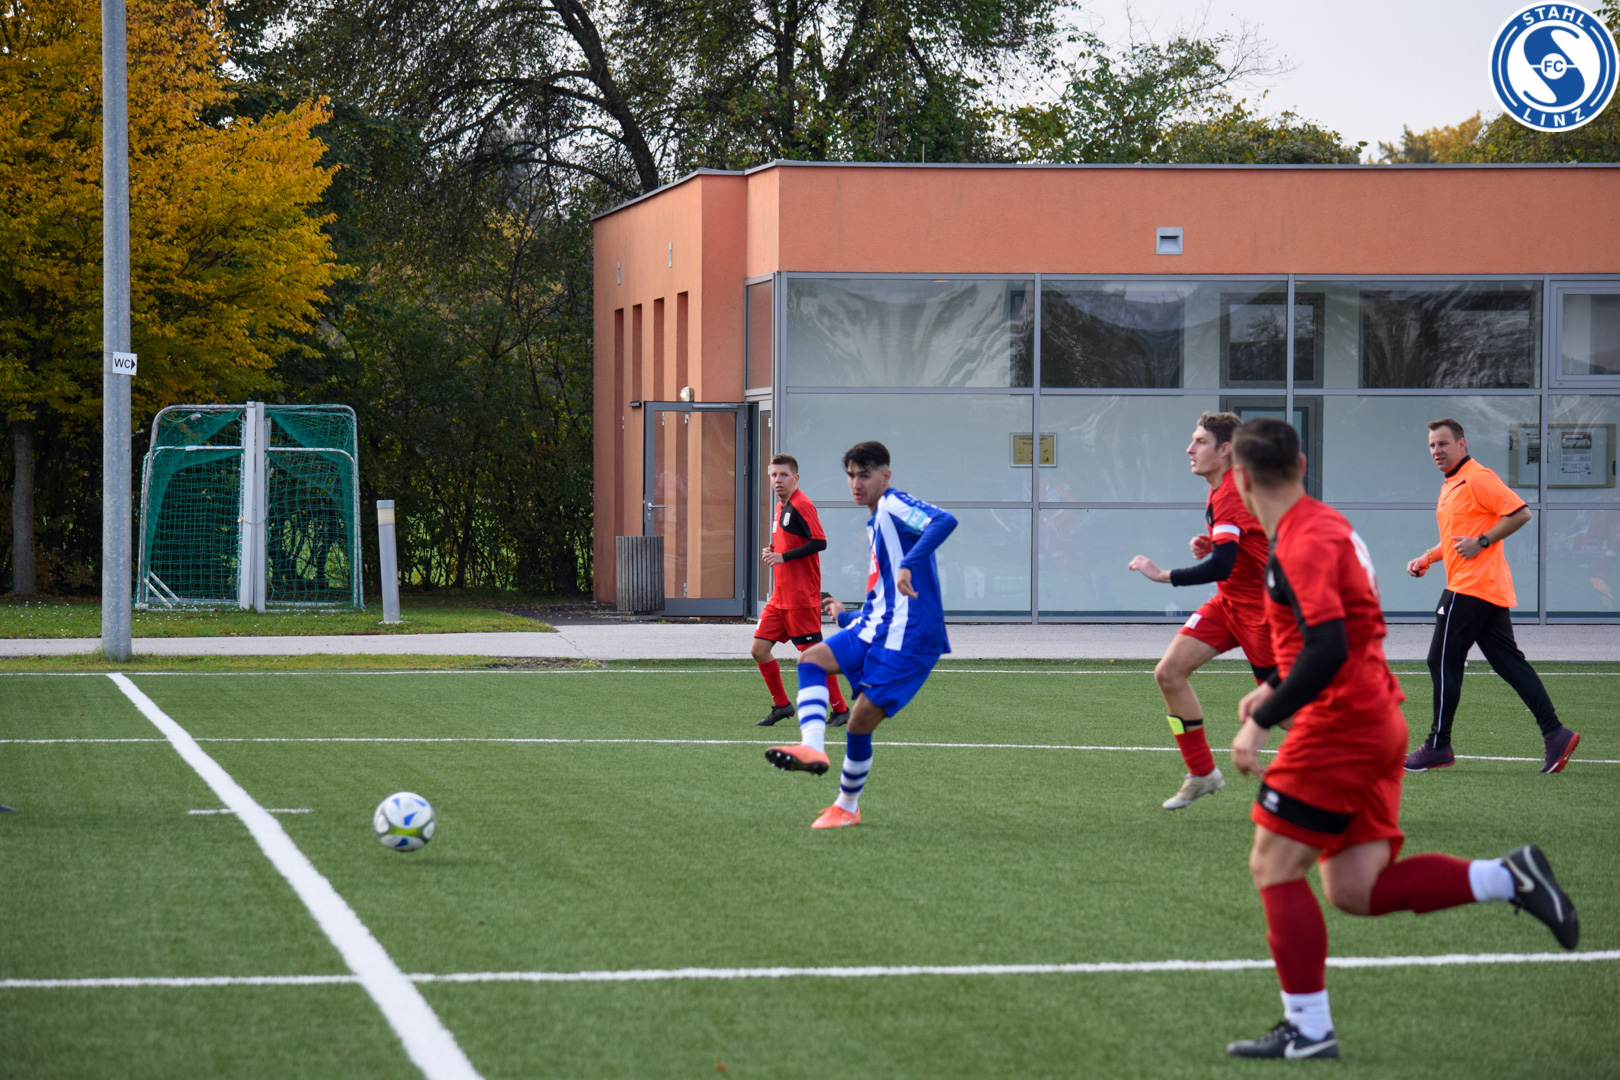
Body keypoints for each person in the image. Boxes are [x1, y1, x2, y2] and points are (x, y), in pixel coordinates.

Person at [1224, 417, 1578, 1061]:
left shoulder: (1301, 539)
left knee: (1272, 866)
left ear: (1241, 479)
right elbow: (1336, 630)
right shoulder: (1324, 524)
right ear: (1300, 466)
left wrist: (1263, 715)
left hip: (1340, 725)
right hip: (1376, 718)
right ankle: (1508, 878)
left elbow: (1329, 645)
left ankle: (1309, 1030)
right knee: (1355, 889)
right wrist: (1273, 682)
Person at [763, 441, 957, 829]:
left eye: (865, 475)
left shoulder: (892, 504)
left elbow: (943, 521)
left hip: (910, 637)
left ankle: (847, 806)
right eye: (851, 475)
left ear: (885, 476)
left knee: (859, 722)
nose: (856, 483)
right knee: (810, 659)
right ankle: (812, 748)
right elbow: (884, 592)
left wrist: (908, 565)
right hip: (877, 626)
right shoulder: (876, 519)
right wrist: (846, 615)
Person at [1403, 419, 1580, 774]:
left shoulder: (1477, 478)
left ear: (1462, 444)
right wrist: (1428, 557)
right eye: (1432, 445)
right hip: (1486, 589)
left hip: (1470, 588)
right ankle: (1555, 733)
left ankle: (1438, 745)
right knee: (1509, 663)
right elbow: (1458, 538)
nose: (1437, 450)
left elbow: (1520, 513)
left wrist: (1483, 542)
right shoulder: (1451, 484)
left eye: (1443, 443)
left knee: (1440, 660)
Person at [1128, 412, 1276, 810]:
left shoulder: (1231, 491)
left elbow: (1221, 567)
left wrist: (1163, 575)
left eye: (1200, 442)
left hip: (1261, 614)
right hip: (1228, 605)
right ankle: (1202, 773)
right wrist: (1216, 544)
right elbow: (1239, 548)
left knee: (1281, 711)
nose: (1189, 449)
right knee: (1169, 673)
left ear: (1225, 449)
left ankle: (1346, 766)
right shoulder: (1222, 487)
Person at [750, 454, 850, 729]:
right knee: (759, 649)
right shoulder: (780, 506)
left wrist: (783, 557)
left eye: (784, 475)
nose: (778, 480)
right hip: (779, 597)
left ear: (796, 478)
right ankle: (782, 705)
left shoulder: (802, 504)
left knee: (814, 657)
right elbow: (790, 541)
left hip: (800, 598)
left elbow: (819, 542)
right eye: (774, 475)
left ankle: (841, 710)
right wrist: (774, 550)